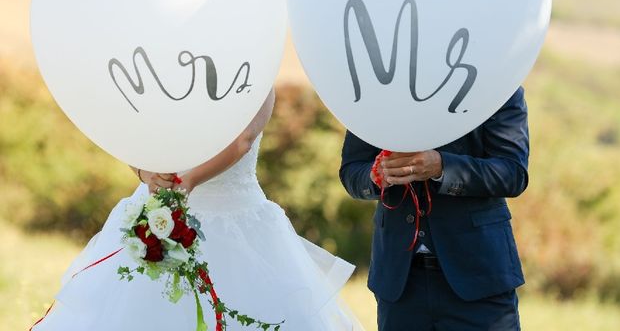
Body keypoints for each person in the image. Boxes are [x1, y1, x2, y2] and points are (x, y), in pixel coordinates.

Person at [34, 91, 362, 331]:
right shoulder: (165, 63)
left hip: (236, 224)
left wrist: (187, 180)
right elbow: (132, 127)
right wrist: (145, 172)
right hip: (155, 209)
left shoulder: (255, 71)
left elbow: (242, 140)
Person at [339, 87, 529, 330]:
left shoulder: (497, 82)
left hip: (478, 277)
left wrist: (442, 167)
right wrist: (377, 176)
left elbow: (512, 173)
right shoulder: (375, 88)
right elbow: (351, 171)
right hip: (399, 283)